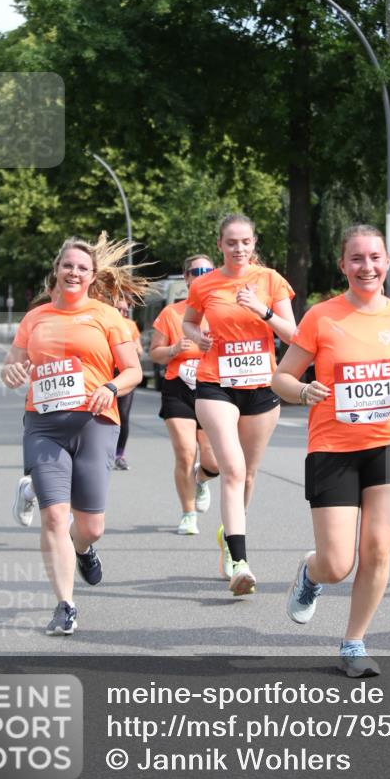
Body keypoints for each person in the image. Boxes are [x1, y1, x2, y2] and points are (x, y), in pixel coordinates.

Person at [272, 224, 390, 677]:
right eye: (357, 259)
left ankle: (353, 643)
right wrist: (301, 390)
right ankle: (311, 574)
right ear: (343, 264)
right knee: (337, 562)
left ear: (388, 263)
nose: (367, 266)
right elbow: (281, 378)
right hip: (332, 448)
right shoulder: (322, 317)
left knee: (379, 549)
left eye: (375, 258)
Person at [2, 233, 144, 636]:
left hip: (95, 423)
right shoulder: (36, 318)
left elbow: (133, 371)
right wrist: (11, 374)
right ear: (57, 269)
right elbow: (11, 368)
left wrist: (111, 387)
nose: (74, 272)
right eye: (68, 265)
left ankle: (83, 548)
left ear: (92, 275)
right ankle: (65, 604)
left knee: (91, 526)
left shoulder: (107, 316)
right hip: (44, 425)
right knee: (55, 516)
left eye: (82, 267)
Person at [183, 213, 296, 594]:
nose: (239, 249)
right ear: (220, 245)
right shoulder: (206, 284)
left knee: (248, 474)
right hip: (216, 384)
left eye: (245, 242)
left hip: (262, 387)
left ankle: (229, 537)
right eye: (231, 242)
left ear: (254, 243)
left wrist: (261, 310)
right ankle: (240, 562)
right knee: (232, 469)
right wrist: (197, 337)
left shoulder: (270, 280)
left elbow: (294, 334)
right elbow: (188, 322)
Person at [150, 255, 219, 535]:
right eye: (195, 271)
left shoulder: (221, 312)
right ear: (186, 277)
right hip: (178, 388)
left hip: (212, 387)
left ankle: (201, 480)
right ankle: (188, 513)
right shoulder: (171, 314)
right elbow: (154, 353)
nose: (201, 275)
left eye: (207, 270)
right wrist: (173, 350)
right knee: (186, 452)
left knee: (214, 461)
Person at [113, 299, 144, 471]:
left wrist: (129, 346)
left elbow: (139, 350)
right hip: (105, 373)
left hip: (124, 374)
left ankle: (119, 455)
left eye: (126, 310)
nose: (123, 313)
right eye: (119, 309)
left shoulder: (130, 325)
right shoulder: (105, 322)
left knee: (123, 415)